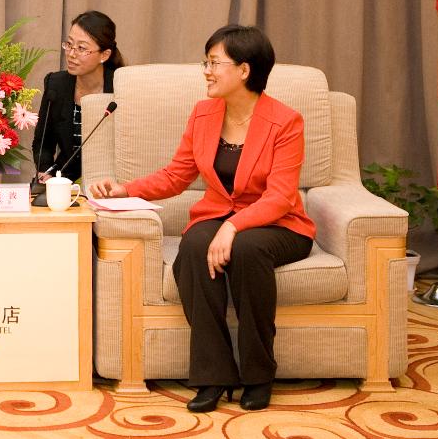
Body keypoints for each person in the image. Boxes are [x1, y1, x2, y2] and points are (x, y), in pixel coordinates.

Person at [91, 25, 314, 413]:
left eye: (215, 63)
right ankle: (214, 374)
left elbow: (280, 197)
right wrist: (125, 189)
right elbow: (177, 175)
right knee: (194, 246)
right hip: (220, 214)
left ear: (245, 70)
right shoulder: (204, 113)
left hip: (280, 225)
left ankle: (259, 374)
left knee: (245, 248)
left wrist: (232, 227)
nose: (207, 71)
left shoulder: (286, 122)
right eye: (205, 62)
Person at [30, 11, 125, 186]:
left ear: (104, 55)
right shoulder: (56, 84)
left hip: (109, 182)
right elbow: (43, 142)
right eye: (69, 45)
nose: (71, 54)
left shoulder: (122, 87)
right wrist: (46, 174)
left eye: (81, 48)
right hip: (64, 180)